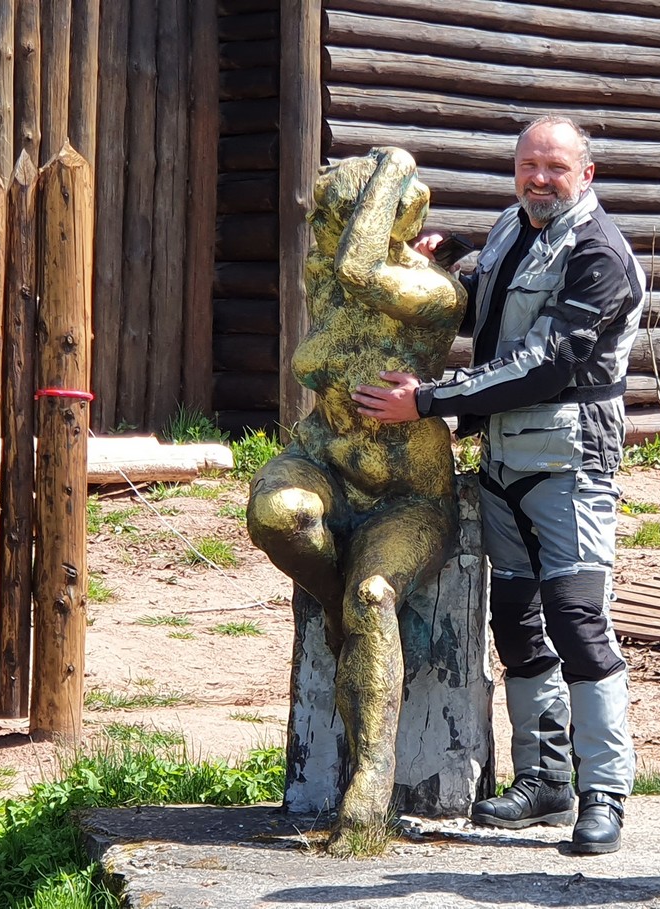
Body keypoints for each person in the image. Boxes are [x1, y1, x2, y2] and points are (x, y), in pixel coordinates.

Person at [353, 116, 646, 855]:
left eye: (555, 168)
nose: (539, 179)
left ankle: (603, 793)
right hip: (504, 460)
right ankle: (543, 779)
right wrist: (448, 253)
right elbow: (492, 286)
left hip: (570, 461)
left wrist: (428, 401)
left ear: (586, 175)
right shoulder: (516, 226)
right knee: (516, 619)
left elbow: (545, 363)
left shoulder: (600, 253)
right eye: (528, 166)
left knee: (577, 620)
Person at [247, 147, 464, 851]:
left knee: (374, 595)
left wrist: (393, 163)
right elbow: (341, 276)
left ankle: (369, 788)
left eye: (338, 217)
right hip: (324, 459)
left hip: (407, 492)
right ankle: (336, 608)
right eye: (325, 219)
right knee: (277, 515)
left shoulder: (432, 292)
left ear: (386, 216)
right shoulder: (327, 284)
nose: (325, 233)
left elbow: (360, 269)